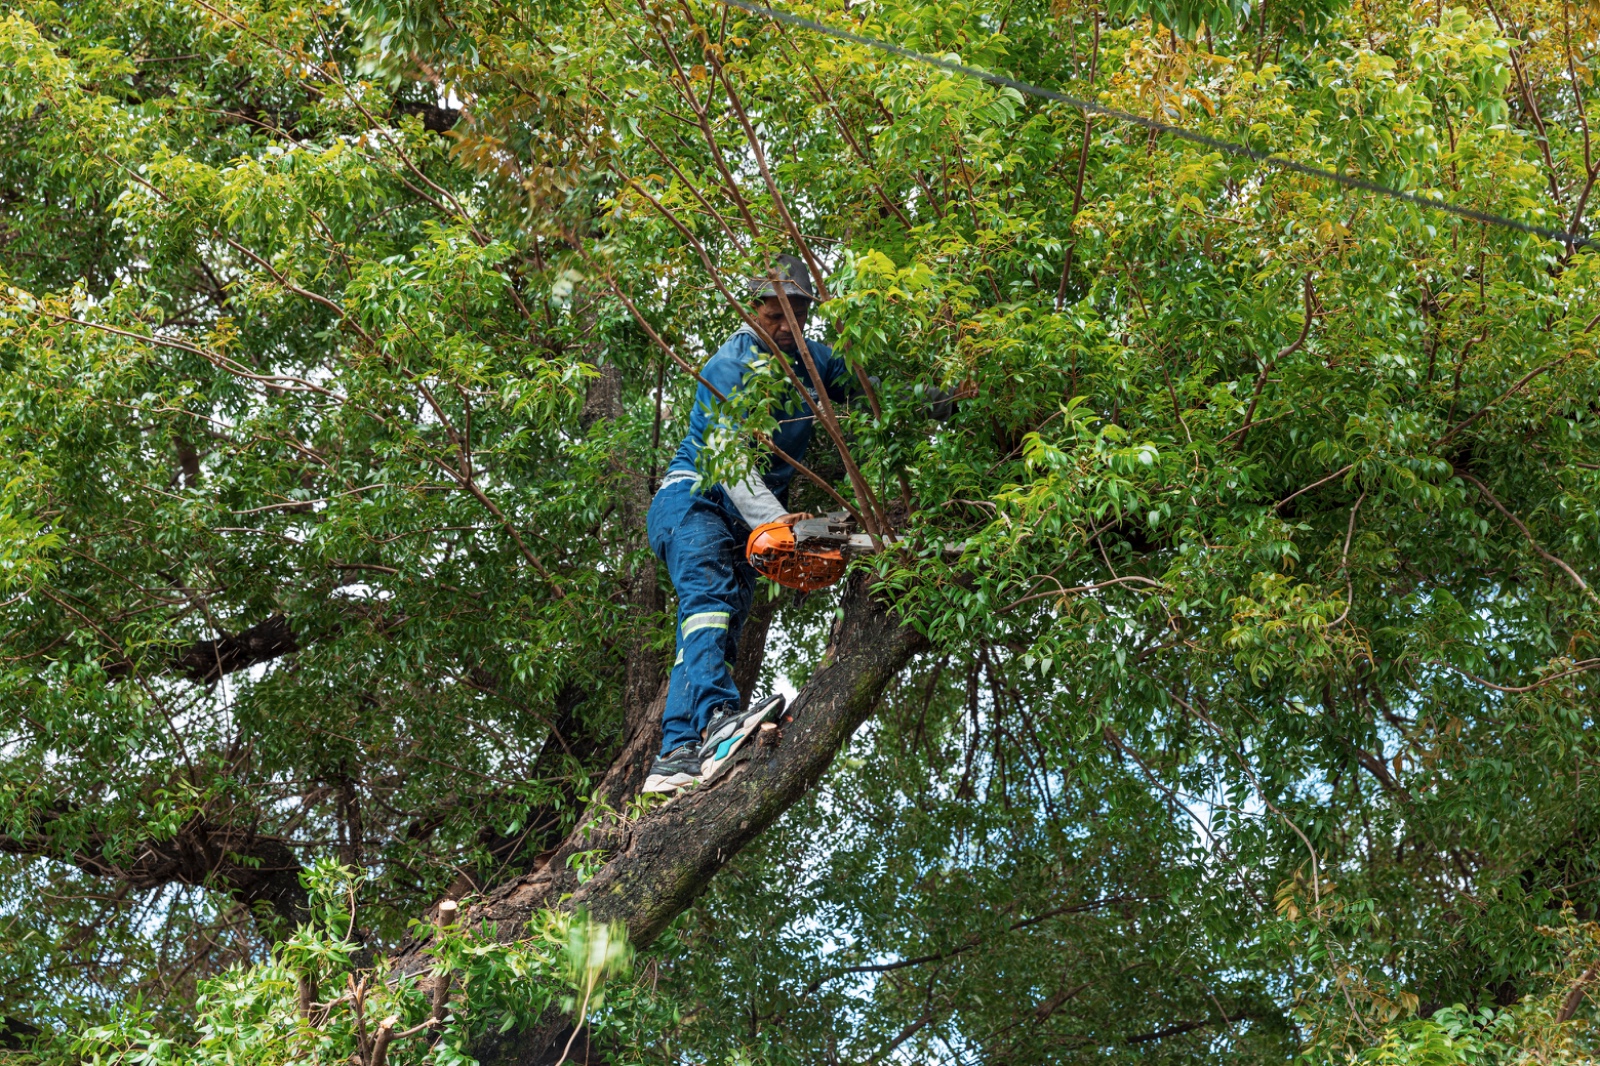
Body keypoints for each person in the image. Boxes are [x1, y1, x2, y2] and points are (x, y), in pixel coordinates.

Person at [642, 255, 849, 794]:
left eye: (794, 317)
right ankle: (717, 718)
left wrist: (946, 400)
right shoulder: (730, 364)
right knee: (709, 602)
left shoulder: (814, 362)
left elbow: (876, 390)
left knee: (716, 627)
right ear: (753, 308)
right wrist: (778, 522)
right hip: (695, 499)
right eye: (772, 315)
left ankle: (676, 755)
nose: (783, 327)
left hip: (745, 523)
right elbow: (727, 454)